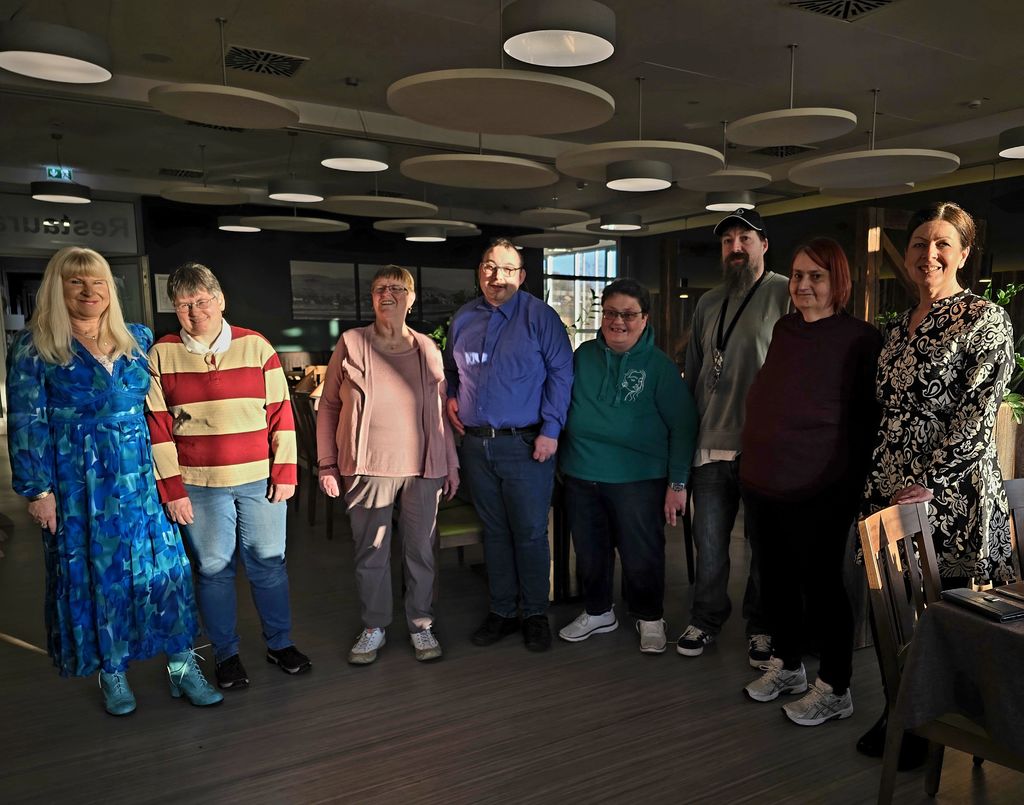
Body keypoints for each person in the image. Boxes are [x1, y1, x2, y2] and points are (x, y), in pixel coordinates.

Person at [6, 246, 222, 715]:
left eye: (98, 281)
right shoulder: (35, 345)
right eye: (76, 282)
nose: (89, 291)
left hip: (141, 478)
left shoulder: (137, 337)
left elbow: (161, 407)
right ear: (57, 289)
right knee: (97, 576)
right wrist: (38, 491)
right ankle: (113, 670)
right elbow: (26, 422)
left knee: (164, 571)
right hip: (78, 485)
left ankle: (181, 666)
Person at [858, 201, 1016, 758]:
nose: (930, 253)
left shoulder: (984, 319)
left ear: (964, 254)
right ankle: (899, 711)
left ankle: (940, 723)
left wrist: (927, 482)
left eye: (943, 243)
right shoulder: (896, 328)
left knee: (945, 617)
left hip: (953, 497)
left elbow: (977, 416)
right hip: (888, 492)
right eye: (920, 243)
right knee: (890, 611)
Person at [145, 262, 310, 691]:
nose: (194, 312)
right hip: (198, 485)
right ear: (174, 309)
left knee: (269, 566)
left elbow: (281, 415)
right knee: (213, 571)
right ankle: (226, 654)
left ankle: (280, 643)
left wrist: (286, 472)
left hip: (260, 480)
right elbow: (158, 429)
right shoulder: (161, 354)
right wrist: (172, 490)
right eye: (184, 305)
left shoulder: (257, 346)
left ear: (220, 301)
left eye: (202, 301)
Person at [739, 238, 881, 725]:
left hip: (821, 486)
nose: (802, 285)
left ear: (837, 281)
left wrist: (846, 488)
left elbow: (865, 423)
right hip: (765, 480)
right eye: (797, 275)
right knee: (774, 581)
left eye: (815, 276)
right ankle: (788, 666)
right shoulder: (785, 328)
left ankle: (836, 688)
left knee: (822, 588)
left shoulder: (861, 339)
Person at [316, 266, 460, 664]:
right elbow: (328, 406)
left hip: (424, 468)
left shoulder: (427, 348)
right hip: (367, 467)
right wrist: (327, 464)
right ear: (372, 297)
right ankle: (374, 626)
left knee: (421, 550)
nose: (388, 294)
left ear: (411, 299)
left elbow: (441, 413)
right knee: (371, 552)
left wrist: (451, 464)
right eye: (381, 288)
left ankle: (421, 624)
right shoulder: (351, 342)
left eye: (398, 288)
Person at [444, 237, 573, 652]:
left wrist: (551, 430)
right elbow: (451, 370)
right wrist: (451, 395)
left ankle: (534, 614)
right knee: (495, 532)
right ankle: (502, 611)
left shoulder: (540, 317)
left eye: (506, 268)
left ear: (521, 275)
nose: (496, 276)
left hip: (527, 445)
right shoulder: (464, 318)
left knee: (530, 533)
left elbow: (562, 374)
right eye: (489, 266)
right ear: (479, 271)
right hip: (476, 446)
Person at [557, 279, 698, 653]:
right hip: (582, 472)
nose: (618, 321)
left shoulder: (660, 367)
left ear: (644, 318)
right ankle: (598, 611)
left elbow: (684, 426)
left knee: (642, 553)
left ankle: (650, 616)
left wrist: (678, 483)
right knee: (589, 551)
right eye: (611, 313)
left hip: (639, 477)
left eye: (628, 314)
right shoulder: (583, 356)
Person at [678, 208, 791, 664]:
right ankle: (706, 619)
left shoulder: (785, 292)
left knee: (764, 547)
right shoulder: (707, 302)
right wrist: (685, 441)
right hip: (710, 445)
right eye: (728, 241)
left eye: (745, 238)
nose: (736, 247)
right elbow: (694, 373)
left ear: (764, 245)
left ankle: (761, 626)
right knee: (709, 545)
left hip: (762, 446)